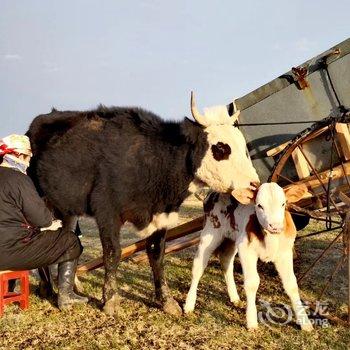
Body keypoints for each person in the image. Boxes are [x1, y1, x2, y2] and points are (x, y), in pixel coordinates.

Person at [0, 134, 87, 309]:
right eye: (28, 156)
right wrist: (50, 223)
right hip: (9, 251)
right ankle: (66, 295)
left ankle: (46, 285)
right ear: (17, 155)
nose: (30, 161)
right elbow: (40, 218)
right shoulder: (19, 180)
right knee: (70, 241)